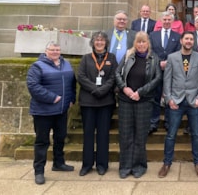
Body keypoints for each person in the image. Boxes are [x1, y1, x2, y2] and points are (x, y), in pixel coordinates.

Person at [158, 31, 198, 179]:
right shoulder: (172, 58)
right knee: (171, 134)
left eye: (191, 39)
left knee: (196, 134)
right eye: (186, 38)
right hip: (176, 101)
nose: (189, 41)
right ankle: (166, 163)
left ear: (194, 42)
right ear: (181, 40)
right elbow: (167, 81)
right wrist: (169, 99)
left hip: (193, 101)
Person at [26, 41, 76, 185]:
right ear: (46, 51)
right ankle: (39, 171)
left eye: (57, 49)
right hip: (43, 112)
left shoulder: (66, 64)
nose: (55, 52)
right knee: (42, 142)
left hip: (61, 110)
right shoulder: (37, 66)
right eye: (52, 49)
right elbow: (33, 86)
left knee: (60, 138)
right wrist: (52, 98)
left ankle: (58, 163)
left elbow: (72, 83)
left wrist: (71, 98)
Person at [115, 31, 162, 179]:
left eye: (144, 42)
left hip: (144, 101)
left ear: (148, 43)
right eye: (139, 42)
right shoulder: (128, 56)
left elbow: (157, 78)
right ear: (135, 43)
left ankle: (139, 166)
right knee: (125, 134)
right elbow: (117, 73)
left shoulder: (154, 58)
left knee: (140, 135)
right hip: (125, 100)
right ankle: (125, 166)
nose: (141, 45)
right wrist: (125, 88)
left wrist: (140, 92)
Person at [77, 31, 117, 177]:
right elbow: (81, 76)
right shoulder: (86, 58)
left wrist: (103, 89)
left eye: (102, 40)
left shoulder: (111, 58)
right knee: (88, 134)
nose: (99, 43)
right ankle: (87, 164)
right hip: (88, 101)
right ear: (93, 43)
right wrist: (95, 89)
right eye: (97, 40)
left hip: (105, 102)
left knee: (103, 135)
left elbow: (114, 76)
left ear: (106, 43)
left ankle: (102, 164)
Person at [148, 11, 181, 134]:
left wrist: (168, 62)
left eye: (169, 20)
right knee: (155, 96)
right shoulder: (152, 35)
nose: (167, 22)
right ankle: (153, 122)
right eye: (165, 20)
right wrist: (159, 62)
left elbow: (178, 52)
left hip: (171, 70)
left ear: (172, 21)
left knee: (169, 96)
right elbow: (150, 51)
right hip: (156, 69)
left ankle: (168, 122)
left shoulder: (177, 36)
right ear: (161, 21)